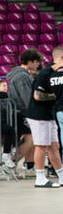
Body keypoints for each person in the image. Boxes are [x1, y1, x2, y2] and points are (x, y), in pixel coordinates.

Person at [27, 46, 63, 188]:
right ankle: (40, 178)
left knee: (54, 146)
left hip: (49, 115)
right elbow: (37, 96)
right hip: (38, 115)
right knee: (41, 146)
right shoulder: (45, 73)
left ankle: (61, 176)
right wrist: (54, 96)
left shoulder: (55, 73)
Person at [8, 49, 42, 176]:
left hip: (22, 111)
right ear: (29, 61)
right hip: (22, 112)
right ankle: (10, 163)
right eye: (36, 61)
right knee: (31, 140)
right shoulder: (22, 76)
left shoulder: (22, 74)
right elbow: (26, 97)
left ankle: (30, 165)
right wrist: (33, 111)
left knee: (32, 139)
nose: (38, 64)